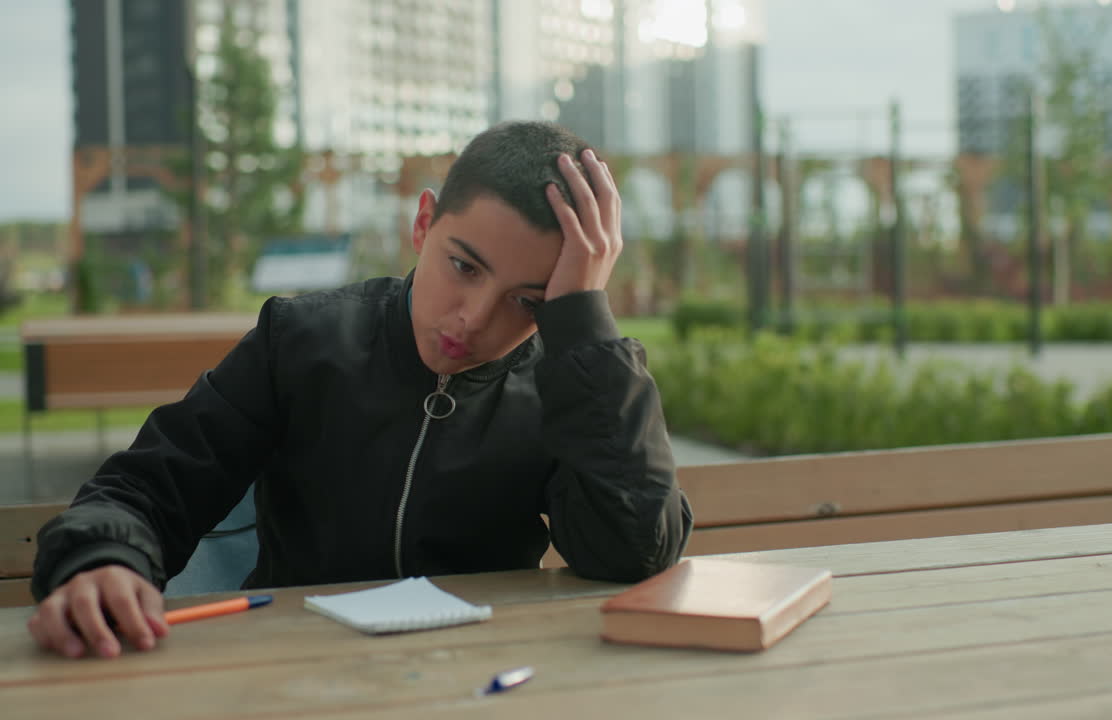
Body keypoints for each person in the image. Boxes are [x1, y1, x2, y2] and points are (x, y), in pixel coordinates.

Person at [27, 120, 693, 659]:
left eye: (527, 300)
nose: (473, 318)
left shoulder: (567, 381)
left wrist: (582, 322)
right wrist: (100, 560)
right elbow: (147, 487)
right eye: (463, 266)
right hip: (289, 670)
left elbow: (632, 550)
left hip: (478, 674)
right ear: (423, 223)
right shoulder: (302, 340)